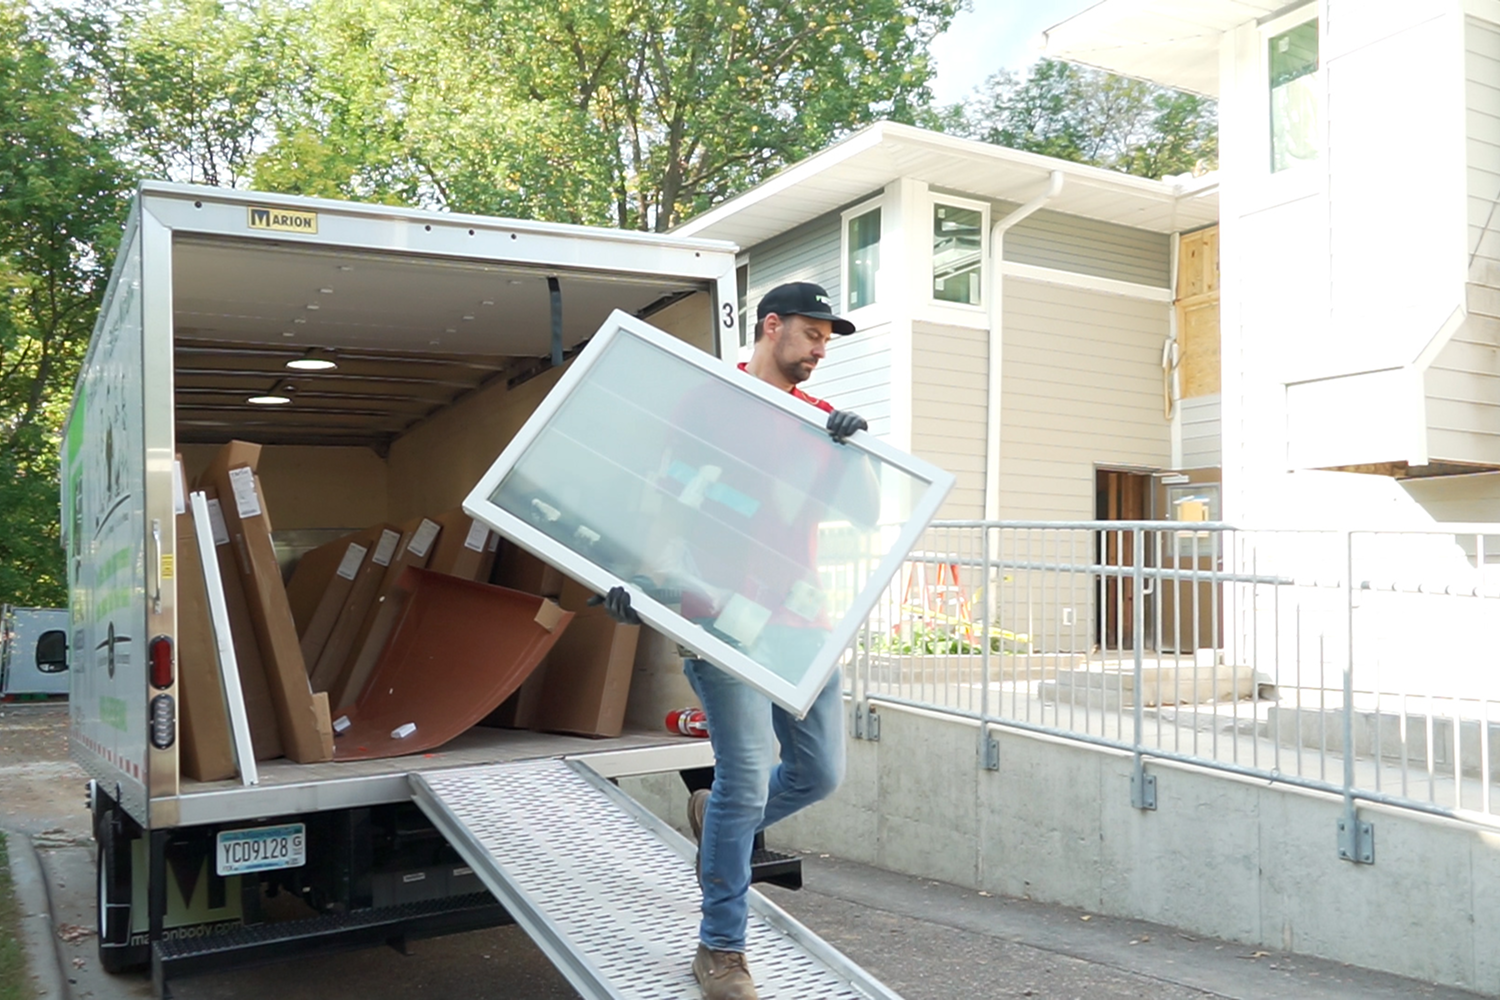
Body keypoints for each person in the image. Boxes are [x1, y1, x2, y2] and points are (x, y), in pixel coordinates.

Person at [599, 281, 867, 1000]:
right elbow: (659, 495)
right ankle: (721, 949)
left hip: (802, 623)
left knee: (818, 775)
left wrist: (855, 450)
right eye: (811, 334)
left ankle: (714, 815)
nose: (819, 350)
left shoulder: (818, 421)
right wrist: (632, 579)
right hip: (719, 617)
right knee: (746, 779)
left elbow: (868, 516)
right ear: (770, 326)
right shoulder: (711, 400)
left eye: (826, 340)